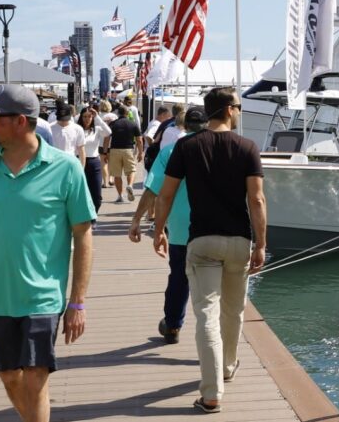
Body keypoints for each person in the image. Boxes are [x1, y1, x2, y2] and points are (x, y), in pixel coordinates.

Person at [0, 84, 95, 422]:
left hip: (44, 295)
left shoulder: (66, 168)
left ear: (19, 121)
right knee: (9, 375)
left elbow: (84, 236)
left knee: (34, 377)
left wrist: (77, 302)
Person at [154, 87, 267, 414]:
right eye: (239, 106)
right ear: (229, 110)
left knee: (206, 314)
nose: (240, 111)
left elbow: (166, 194)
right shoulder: (247, 147)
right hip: (238, 240)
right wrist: (261, 244)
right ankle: (228, 366)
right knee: (232, 311)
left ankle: (212, 391)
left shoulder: (186, 146)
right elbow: (256, 200)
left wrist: (159, 230)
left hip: (201, 240)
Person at [128, 107, 208, 345]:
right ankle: (211, 332)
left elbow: (154, 189)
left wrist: (138, 221)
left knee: (179, 279)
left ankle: (172, 325)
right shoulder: (218, 149)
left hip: (181, 228)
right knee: (212, 286)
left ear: (182, 125)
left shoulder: (172, 150)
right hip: (214, 227)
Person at [103, 107, 143, 203]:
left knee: (117, 175)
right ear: (127, 113)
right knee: (131, 171)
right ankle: (130, 185)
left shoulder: (113, 124)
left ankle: (120, 196)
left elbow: (107, 139)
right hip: (128, 150)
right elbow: (139, 140)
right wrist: (140, 152)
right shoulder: (133, 124)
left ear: (118, 113)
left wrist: (105, 152)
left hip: (114, 150)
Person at [78, 105, 111, 213]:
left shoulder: (97, 129)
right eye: (84, 117)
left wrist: (97, 117)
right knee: (81, 193)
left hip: (94, 163)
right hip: (79, 162)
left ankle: (93, 216)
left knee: (96, 196)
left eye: (89, 117)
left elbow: (108, 132)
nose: (87, 119)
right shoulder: (77, 129)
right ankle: (84, 218)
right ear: (81, 117)